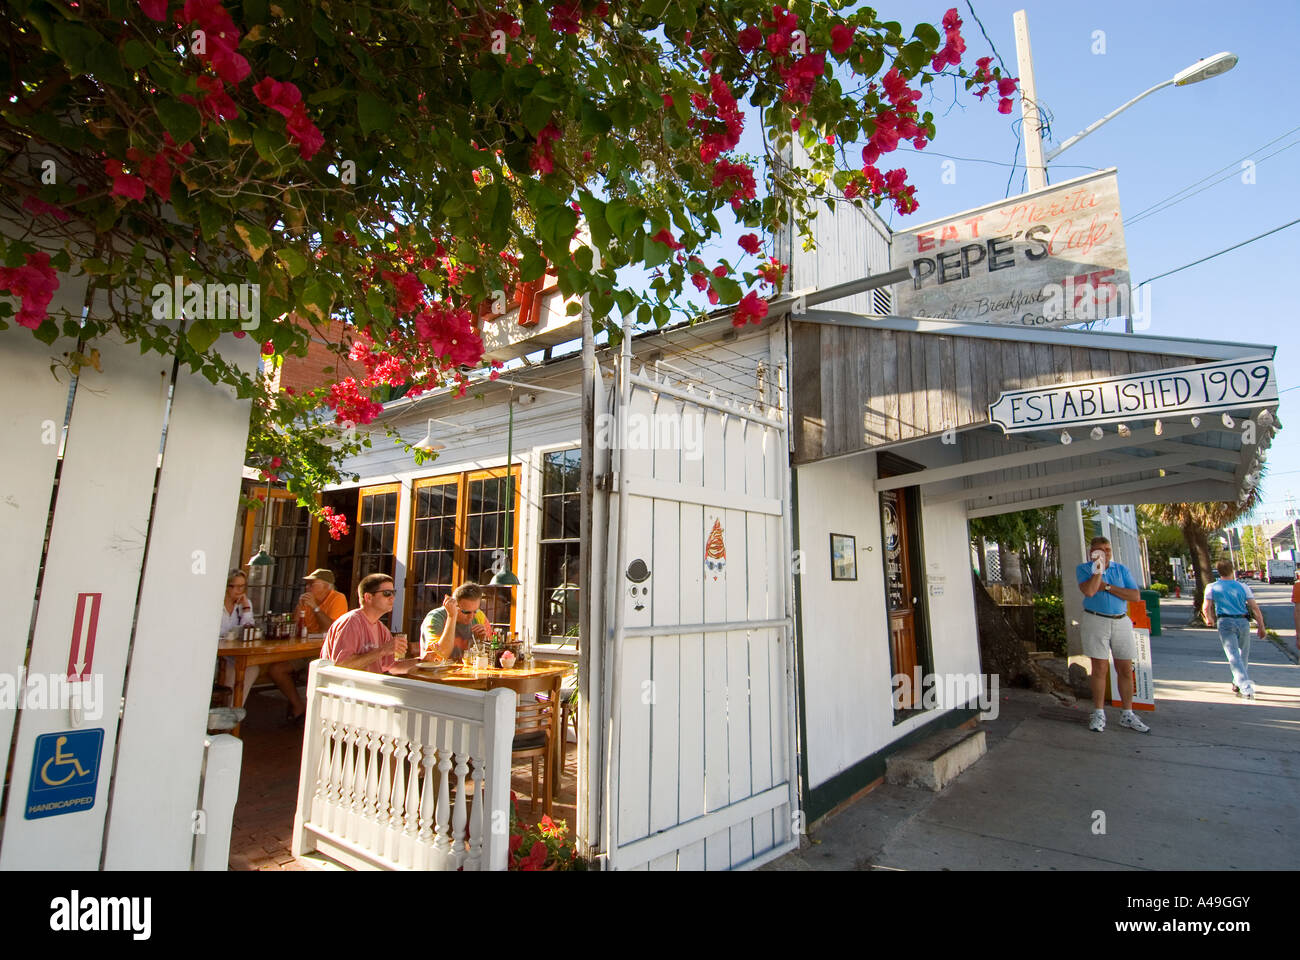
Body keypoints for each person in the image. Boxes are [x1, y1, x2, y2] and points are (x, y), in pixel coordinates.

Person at [1076, 536, 1150, 733]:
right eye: (1100, 550)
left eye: (1107, 549)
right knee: (1099, 667)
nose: (1105, 553)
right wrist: (1098, 571)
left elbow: (1134, 595)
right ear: (1092, 553)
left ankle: (1127, 712)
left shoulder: (1121, 570)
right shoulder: (1084, 569)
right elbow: (1090, 591)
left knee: (1125, 668)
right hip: (1095, 620)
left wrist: (1108, 587)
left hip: (1120, 620)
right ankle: (1098, 712)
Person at [321, 573, 411, 675]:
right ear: (368, 597)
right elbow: (341, 666)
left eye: (393, 593)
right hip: (343, 688)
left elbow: (393, 667)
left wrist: (423, 662)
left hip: (366, 687)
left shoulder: (382, 629)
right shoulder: (351, 622)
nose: (392, 598)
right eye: (387, 593)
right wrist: (382, 650)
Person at [1202, 560, 1267, 700]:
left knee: (1233, 655)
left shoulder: (1212, 587)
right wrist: (1261, 625)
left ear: (1218, 571)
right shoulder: (1243, 587)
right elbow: (1254, 608)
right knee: (1243, 653)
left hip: (1225, 621)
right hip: (1243, 621)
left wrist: (1209, 618)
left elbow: (1206, 606)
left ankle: (1243, 685)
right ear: (1232, 570)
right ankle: (1241, 682)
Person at [420, 582, 491, 662]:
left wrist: (482, 641)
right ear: (455, 606)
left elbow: (490, 655)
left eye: (475, 611)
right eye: (466, 612)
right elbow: (440, 655)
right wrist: (452, 616)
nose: (471, 617)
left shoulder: (479, 616)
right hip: (436, 672)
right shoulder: (435, 618)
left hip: (465, 671)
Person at [296, 569, 348, 634]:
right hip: (307, 641)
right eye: (307, 584)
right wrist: (299, 607)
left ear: (326, 586)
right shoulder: (307, 599)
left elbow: (330, 628)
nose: (307, 587)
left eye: (311, 584)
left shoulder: (338, 597)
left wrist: (315, 608)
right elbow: (295, 628)